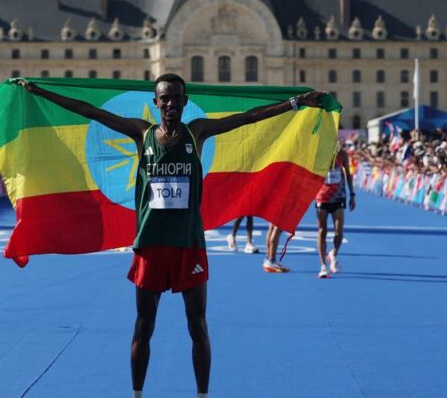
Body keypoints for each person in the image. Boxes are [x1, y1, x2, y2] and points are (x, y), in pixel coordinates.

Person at [20, 74, 323, 397]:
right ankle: (137, 394)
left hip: (188, 244)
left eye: (176, 97)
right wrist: (40, 92)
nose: (170, 103)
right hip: (150, 245)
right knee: (143, 326)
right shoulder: (142, 133)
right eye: (164, 98)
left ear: (185, 100)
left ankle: (202, 394)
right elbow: (91, 111)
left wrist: (296, 103)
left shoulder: (198, 132)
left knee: (198, 326)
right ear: (156, 103)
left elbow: (247, 118)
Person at [315, 146, 356, 279]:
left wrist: (352, 194)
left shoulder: (342, 154)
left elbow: (348, 175)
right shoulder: (317, 152)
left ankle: (333, 253)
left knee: (339, 232)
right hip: (322, 197)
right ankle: (322, 266)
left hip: (338, 196)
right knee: (322, 231)